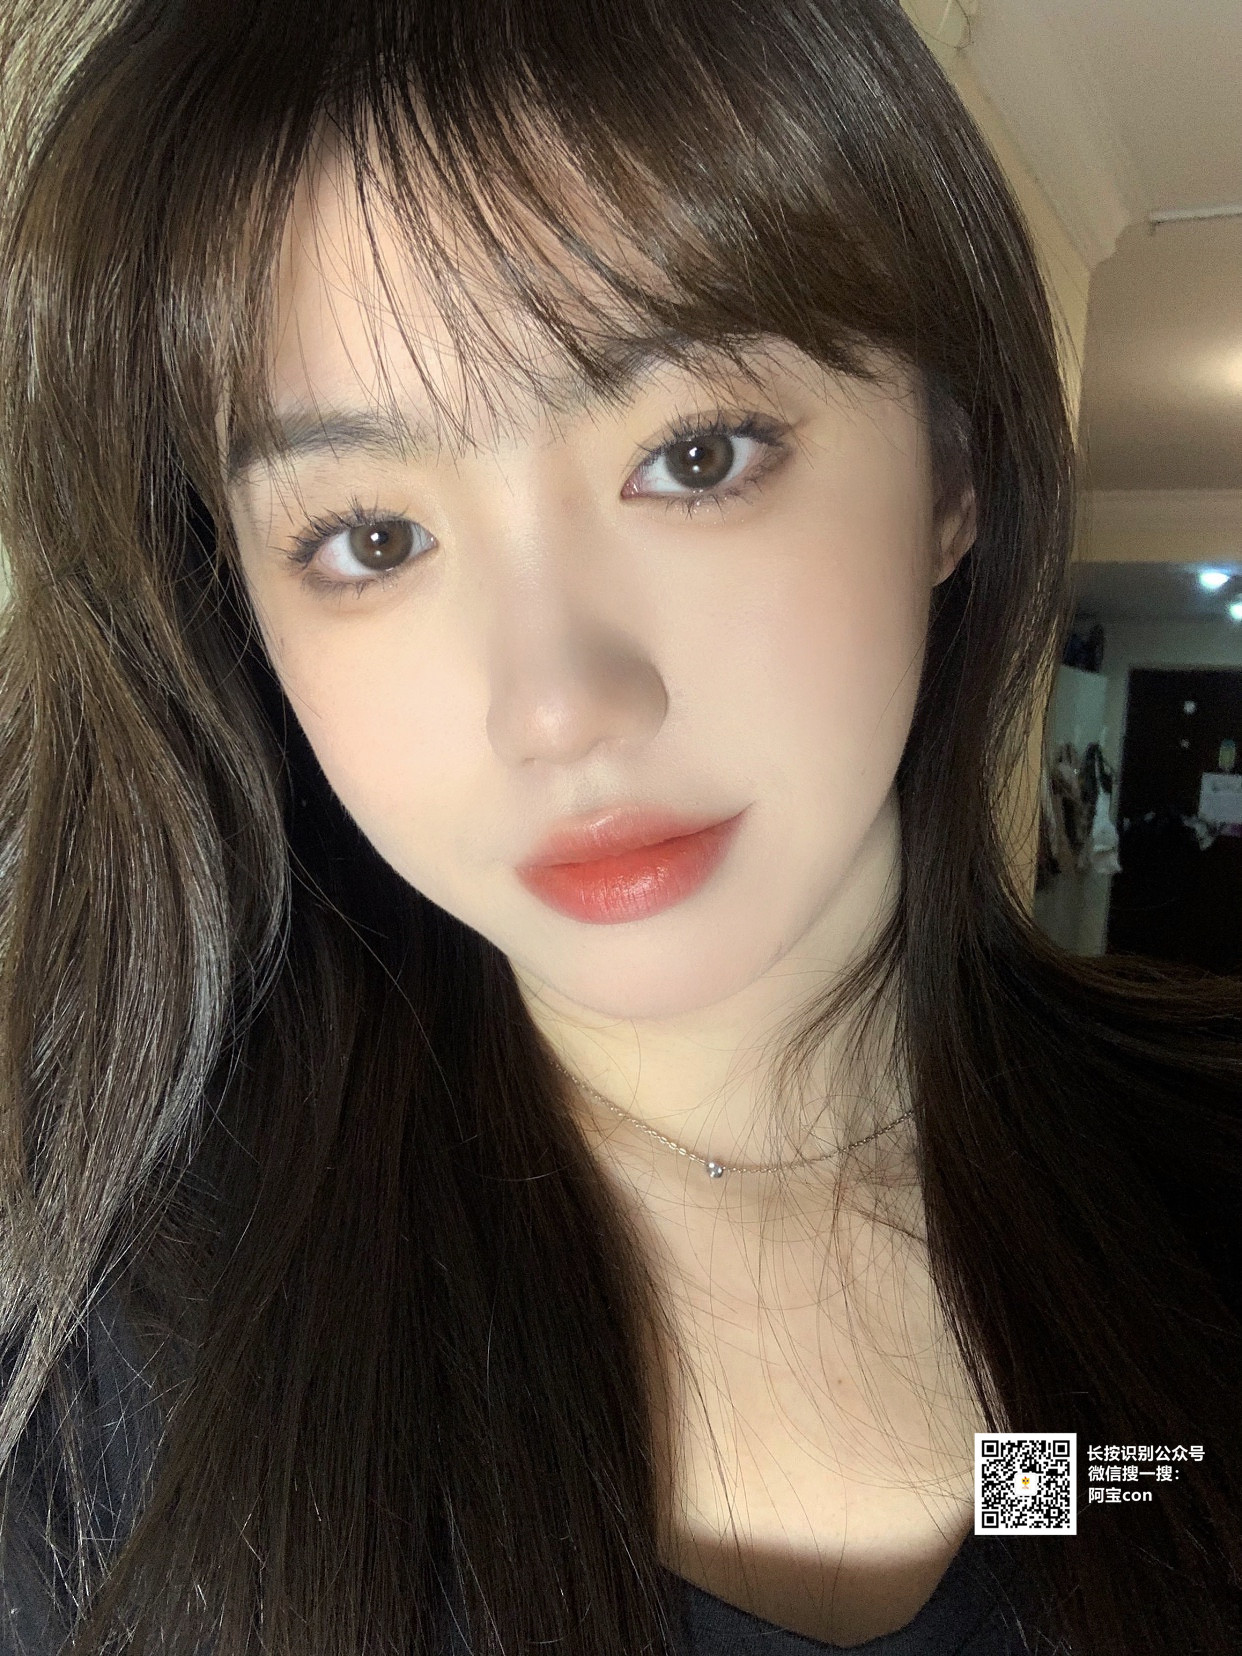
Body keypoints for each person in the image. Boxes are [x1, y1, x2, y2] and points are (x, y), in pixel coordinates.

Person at [0, 0, 1237, 1652]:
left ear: (952, 472)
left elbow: (1086, 1499)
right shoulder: (99, 1353)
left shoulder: (1193, 1194)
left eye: (694, 454)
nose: (559, 707)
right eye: (370, 538)